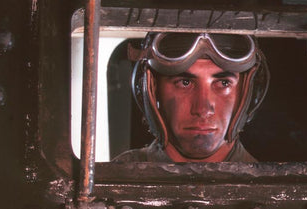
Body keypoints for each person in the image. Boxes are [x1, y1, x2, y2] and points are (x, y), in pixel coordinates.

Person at [112, 32, 269, 163]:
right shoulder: (111, 179)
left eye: (223, 83)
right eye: (185, 83)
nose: (202, 109)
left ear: (247, 93)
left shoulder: (273, 189)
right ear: (152, 90)